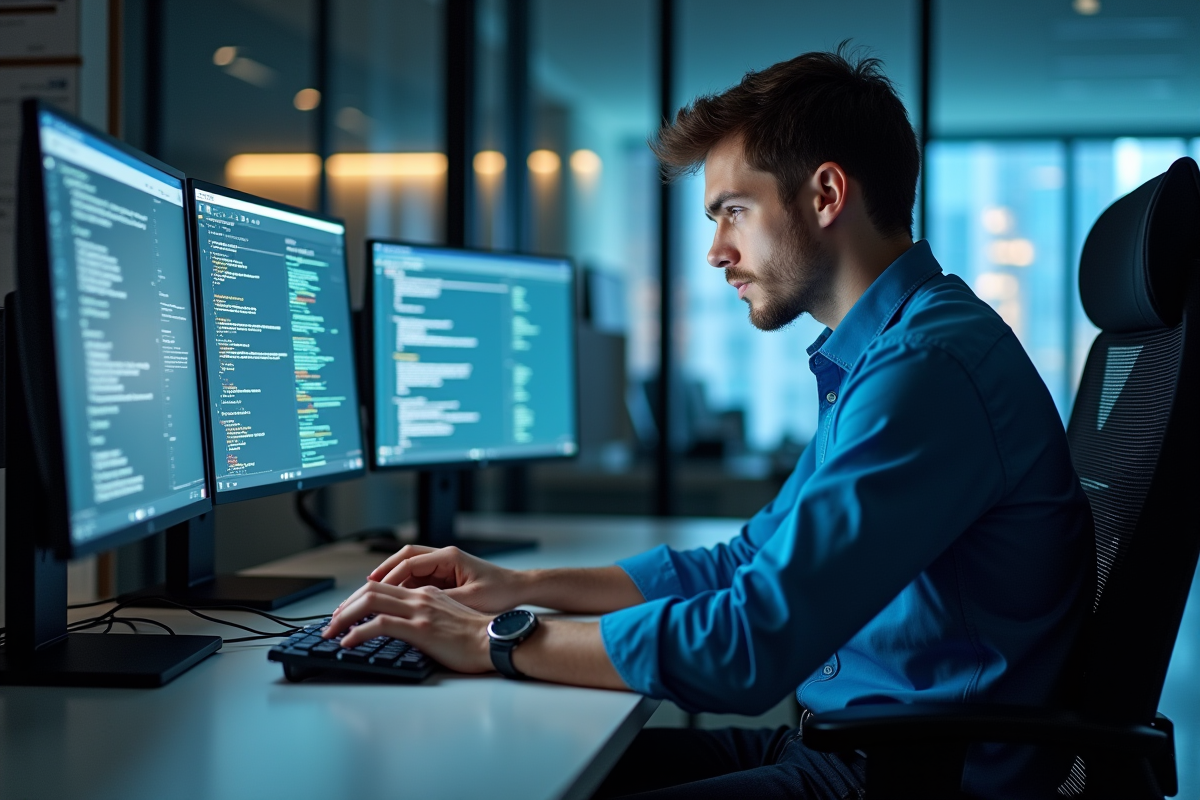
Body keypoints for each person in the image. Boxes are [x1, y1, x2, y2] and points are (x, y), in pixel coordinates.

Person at [322, 46, 1092, 799]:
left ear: (826, 196)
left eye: (733, 211)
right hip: (853, 748)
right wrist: (514, 587)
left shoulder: (926, 371)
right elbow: (739, 564)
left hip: (901, 775)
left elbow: (750, 644)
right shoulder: (887, 356)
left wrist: (490, 640)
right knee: (506, 768)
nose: (717, 251)